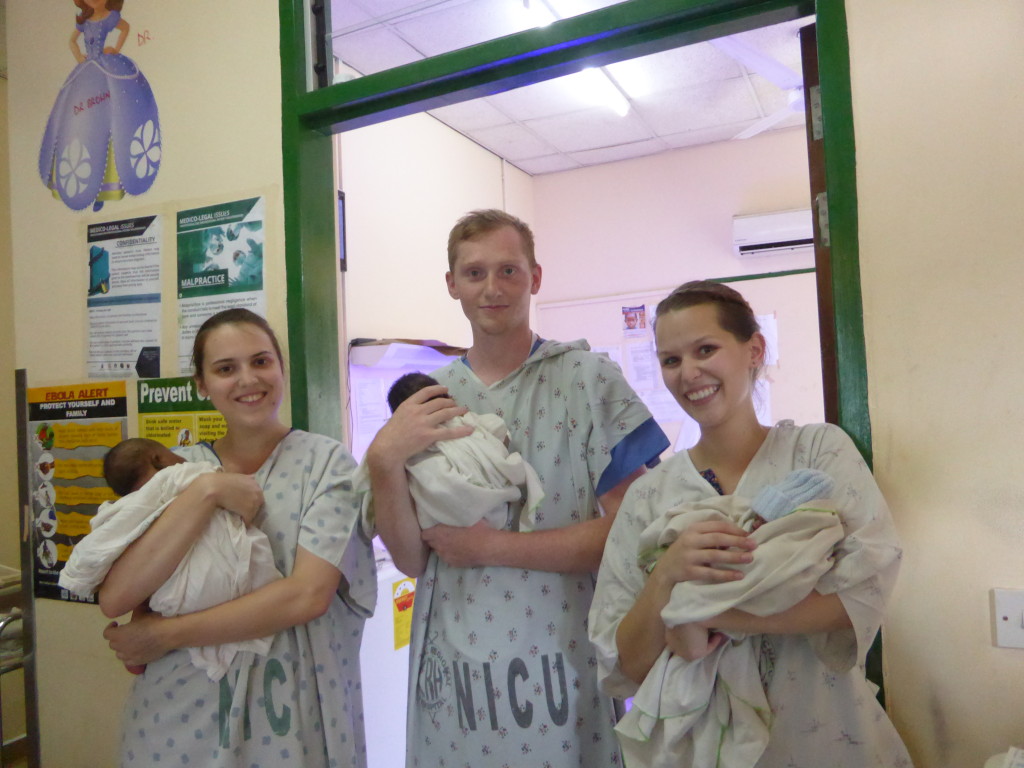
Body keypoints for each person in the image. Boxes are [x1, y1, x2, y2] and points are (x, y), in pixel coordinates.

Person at [364, 209, 670, 767]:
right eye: (475, 272)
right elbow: (412, 560)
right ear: (451, 284)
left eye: (509, 270)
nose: (492, 287)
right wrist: (384, 462)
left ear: (535, 278)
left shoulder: (585, 379)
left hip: (561, 658)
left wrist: (494, 548)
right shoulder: (427, 397)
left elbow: (635, 531)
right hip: (454, 669)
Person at [589, 280, 913, 767]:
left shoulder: (817, 453)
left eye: (706, 349)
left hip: (827, 738)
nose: (689, 373)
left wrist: (708, 615)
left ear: (754, 349)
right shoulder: (650, 498)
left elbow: (861, 592)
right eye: (671, 360)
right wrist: (667, 576)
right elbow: (624, 665)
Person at [98, 308, 377, 768]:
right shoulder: (173, 472)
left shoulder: (326, 465)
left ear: (280, 368)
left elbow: (305, 597)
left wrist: (164, 634)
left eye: (261, 361)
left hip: (287, 717)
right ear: (202, 385)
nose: (248, 379)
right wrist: (206, 491)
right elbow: (118, 596)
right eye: (226, 369)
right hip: (178, 719)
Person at [59, 438, 282, 681]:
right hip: (240, 600)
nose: (182, 460)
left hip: (173, 602)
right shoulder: (178, 474)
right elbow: (235, 491)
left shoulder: (130, 509)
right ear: (158, 460)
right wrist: (212, 485)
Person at [375, 372, 544, 531]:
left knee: (431, 477)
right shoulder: (409, 444)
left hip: (476, 503)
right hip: (488, 502)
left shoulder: (463, 419)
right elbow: (498, 428)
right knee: (429, 472)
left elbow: (496, 429)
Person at [39, 0, 161, 212]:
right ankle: (84, 189)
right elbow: (72, 42)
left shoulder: (111, 18)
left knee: (114, 121)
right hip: (87, 73)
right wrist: (79, 58)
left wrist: (115, 48)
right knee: (82, 124)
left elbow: (126, 28)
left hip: (108, 68)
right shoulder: (83, 21)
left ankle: (104, 192)